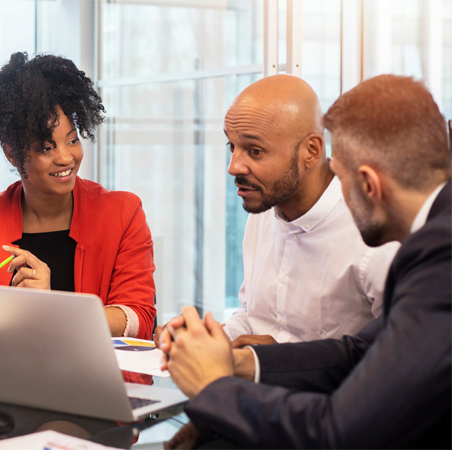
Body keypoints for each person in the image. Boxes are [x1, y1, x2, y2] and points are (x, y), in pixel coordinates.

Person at [161, 74, 451, 448]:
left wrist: (215, 389)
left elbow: (337, 431)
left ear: (369, 184)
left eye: (340, 179)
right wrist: (238, 363)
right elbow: (360, 351)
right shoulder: (436, 240)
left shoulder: (438, 257)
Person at [0, 52, 156, 339]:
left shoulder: (122, 212)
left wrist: (51, 307)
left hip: (92, 377)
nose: (66, 157)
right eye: (46, 148)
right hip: (5, 377)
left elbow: (139, 318)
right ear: (12, 154)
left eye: (72, 140)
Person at [156, 75, 398, 348]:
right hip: (256, 385)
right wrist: (212, 338)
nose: (233, 167)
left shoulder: (376, 234)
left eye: (255, 151)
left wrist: (281, 361)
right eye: (232, 147)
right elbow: (254, 316)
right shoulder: (263, 209)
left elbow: (398, 358)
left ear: (311, 151)